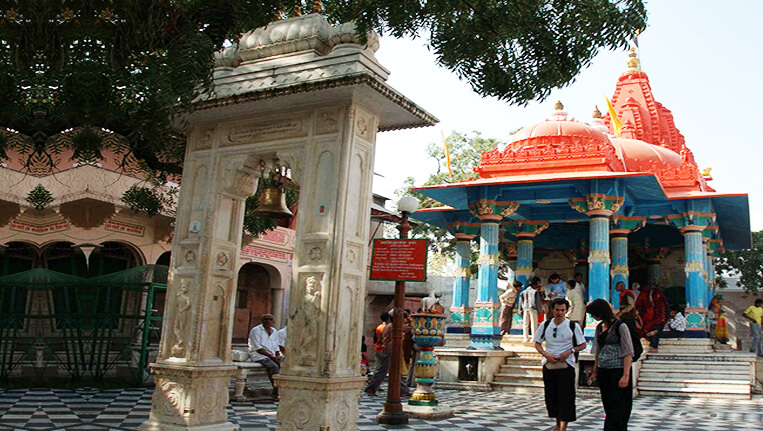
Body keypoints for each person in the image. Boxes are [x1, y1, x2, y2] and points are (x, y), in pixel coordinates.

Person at [534, 298, 586, 431]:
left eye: (562, 310)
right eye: (557, 310)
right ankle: (557, 423)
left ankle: (563, 427)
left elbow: (582, 344)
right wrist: (546, 355)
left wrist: (570, 351)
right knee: (552, 396)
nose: (559, 313)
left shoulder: (572, 326)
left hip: (566, 365)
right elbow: (537, 343)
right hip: (549, 364)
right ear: (552, 310)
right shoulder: (545, 325)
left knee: (566, 397)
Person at [587, 299, 634, 431]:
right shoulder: (599, 327)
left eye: (594, 314)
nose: (593, 317)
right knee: (608, 405)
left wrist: (625, 375)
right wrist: (595, 371)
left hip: (618, 370)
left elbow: (627, 352)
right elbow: (597, 350)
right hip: (604, 370)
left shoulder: (620, 327)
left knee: (618, 407)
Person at [364, 309, 412, 396]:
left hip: (387, 350)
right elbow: (410, 328)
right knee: (383, 371)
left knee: (393, 371)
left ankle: (403, 390)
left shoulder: (389, 326)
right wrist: (409, 320)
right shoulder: (394, 327)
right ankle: (370, 389)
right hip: (390, 351)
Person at [248, 314, 281, 397]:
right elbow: (258, 348)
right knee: (273, 366)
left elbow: (276, 346)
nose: (268, 321)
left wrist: (278, 356)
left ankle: (283, 387)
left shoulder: (274, 331)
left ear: (272, 321)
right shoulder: (256, 331)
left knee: (285, 364)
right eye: (266, 319)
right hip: (259, 355)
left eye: (270, 319)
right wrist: (273, 357)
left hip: (271, 355)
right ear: (262, 320)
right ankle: (276, 389)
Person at [520, 277, 544, 342]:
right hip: (533, 308)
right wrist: (540, 310)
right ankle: (534, 337)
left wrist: (520, 309)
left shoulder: (523, 292)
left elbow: (521, 301)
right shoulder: (535, 292)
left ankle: (525, 337)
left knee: (525, 323)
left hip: (525, 308)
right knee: (534, 323)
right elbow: (538, 302)